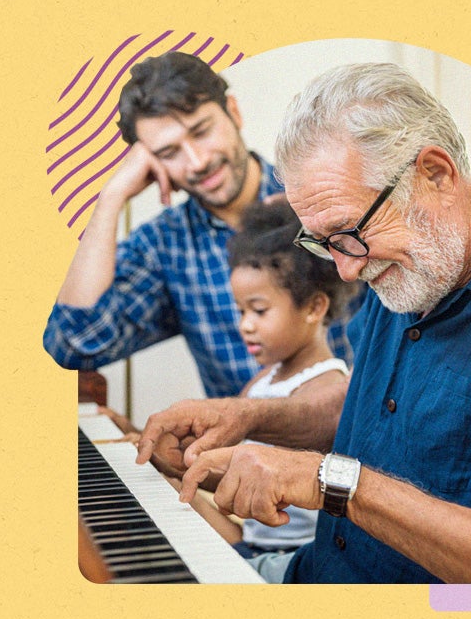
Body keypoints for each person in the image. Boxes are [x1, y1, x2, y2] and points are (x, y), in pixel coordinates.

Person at [139, 62, 471, 584]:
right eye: (322, 242)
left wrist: (331, 482)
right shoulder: (415, 262)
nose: (345, 268)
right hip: (320, 571)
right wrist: (252, 418)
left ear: (435, 172)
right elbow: (376, 408)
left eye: (348, 234)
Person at [43, 51, 354, 400]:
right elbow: (73, 345)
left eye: (201, 131)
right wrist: (110, 199)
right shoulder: (165, 245)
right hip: (237, 450)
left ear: (233, 112)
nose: (197, 162)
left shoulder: (316, 198)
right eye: (168, 152)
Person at [222, 200, 358, 558]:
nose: (245, 325)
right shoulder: (263, 381)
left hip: (293, 554)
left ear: (314, 307)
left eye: (259, 310)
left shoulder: (327, 387)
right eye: (241, 311)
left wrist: (180, 461)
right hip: (254, 540)